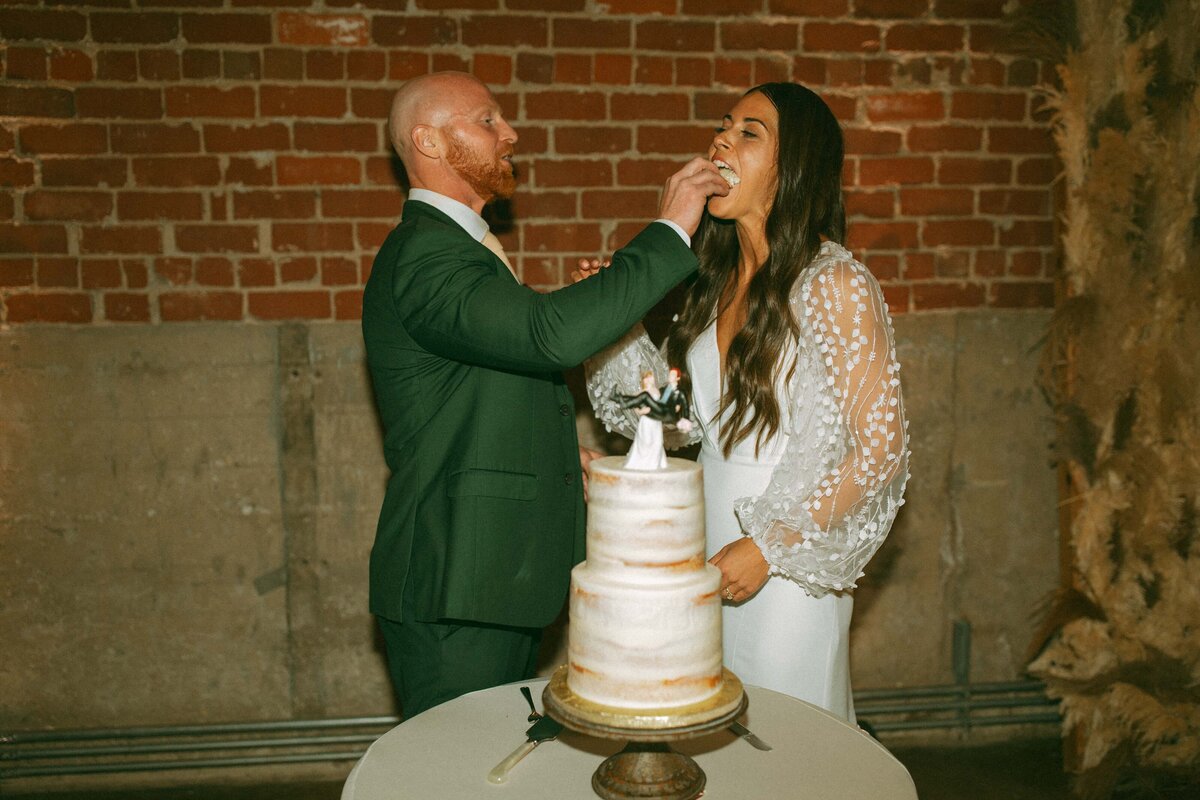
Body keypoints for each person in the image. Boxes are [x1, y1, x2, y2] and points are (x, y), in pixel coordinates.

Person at [361, 71, 728, 718]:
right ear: (430, 141)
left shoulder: (462, 253)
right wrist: (670, 228)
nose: (511, 133)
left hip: (489, 575)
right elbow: (546, 336)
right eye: (487, 120)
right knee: (458, 776)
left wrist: (559, 458)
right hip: (454, 581)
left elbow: (485, 388)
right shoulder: (427, 254)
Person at [583, 82, 909, 722]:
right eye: (723, 126)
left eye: (748, 132)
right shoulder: (715, 285)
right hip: (705, 547)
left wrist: (771, 545)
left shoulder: (833, 282)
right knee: (713, 742)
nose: (721, 141)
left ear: (793, 169)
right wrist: (616, 330)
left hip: (789, 563)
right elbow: (686, 426)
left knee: (788, 745)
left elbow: (881, 448)